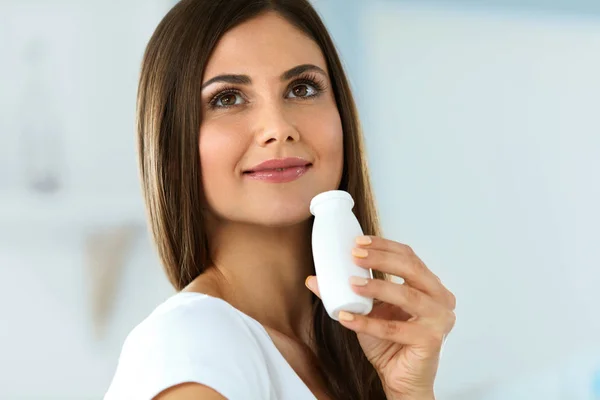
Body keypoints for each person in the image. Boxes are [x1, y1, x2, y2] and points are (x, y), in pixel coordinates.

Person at [104, 0, 456, 399]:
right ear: (172, 141)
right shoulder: (192, 345)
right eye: (227, 98)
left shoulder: (350, 353)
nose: (278, 127)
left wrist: (409, 394)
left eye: (301, 89)